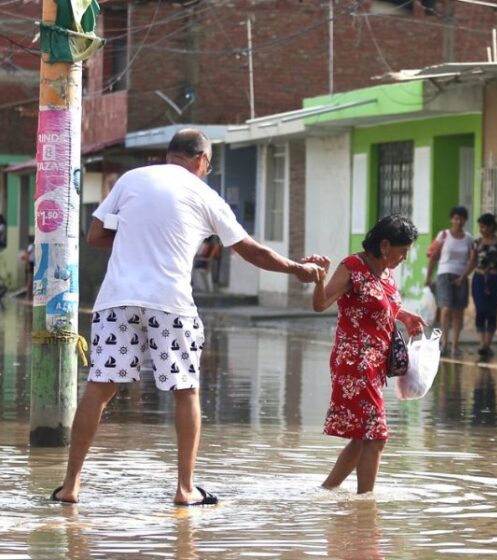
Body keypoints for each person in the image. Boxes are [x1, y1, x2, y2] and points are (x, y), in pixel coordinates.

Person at [51, 129, 326, 506]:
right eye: (208, 165)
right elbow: (250, 250)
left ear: (171, 154)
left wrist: (137, 239)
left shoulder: (132, 179)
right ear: (200, 160)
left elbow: (96, 235)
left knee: (99, 388)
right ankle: (184, 489)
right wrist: (297, 269)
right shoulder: (204, 194)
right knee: (186, 391)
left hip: (117, 301)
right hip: (170, 304)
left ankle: (70, 486)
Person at [312, 214, 426, 494]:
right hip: (354, 362)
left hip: (376, 364)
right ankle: (366, 505)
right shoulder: (353, 266)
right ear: (385, 245)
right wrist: (319, 279)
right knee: (376, 437)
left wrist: (406, 316)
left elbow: (381, 306)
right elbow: (321, 303)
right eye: (402, 251)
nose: (404, 258)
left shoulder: (386, 272)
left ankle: (326, 491)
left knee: (363, 437)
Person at [424, 206, 474, 355]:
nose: (458, 221)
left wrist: (463, 277)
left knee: (458, 311)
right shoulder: (444, 235)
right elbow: (433, 256)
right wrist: (428, 276)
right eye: (456, 218)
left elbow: (472, 260)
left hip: (461, 276)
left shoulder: (469, 238)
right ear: (452, 219)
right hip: (444, 275)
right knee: (445, 309)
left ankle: (455, 344)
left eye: (462, 218)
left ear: (465, 220)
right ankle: (444, 342)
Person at [461, 213, 497, 358]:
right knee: (481, 310)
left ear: (491, 227)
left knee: (492, 311)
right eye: (480, 227)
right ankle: (482, 343)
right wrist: (462, 277)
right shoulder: (476, 243)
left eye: (484, 226)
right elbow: (472, 262)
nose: (482, 229)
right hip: (479, 279)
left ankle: (487, 344)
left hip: (496, 279)